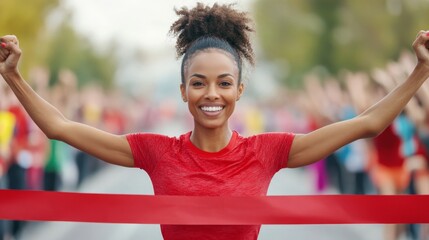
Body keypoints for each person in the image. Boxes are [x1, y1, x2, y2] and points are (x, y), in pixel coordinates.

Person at [1, 3, 429, 240]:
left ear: (239, 91)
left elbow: (368, 123)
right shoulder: (154, 151)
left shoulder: (268, 152)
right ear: (183, 90)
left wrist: (420, 72)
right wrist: (13, 75)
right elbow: (60, 128)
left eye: (224, 83)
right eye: (199, 83)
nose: (212, 94)